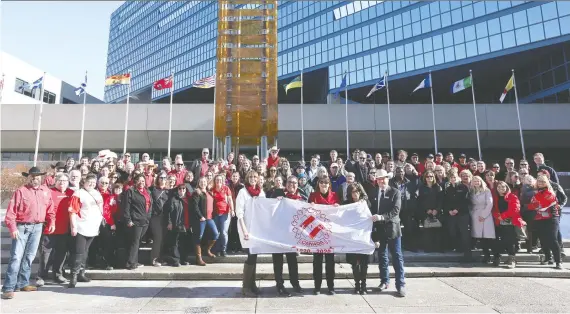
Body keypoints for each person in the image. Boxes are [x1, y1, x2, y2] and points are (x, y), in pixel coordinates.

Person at [2, 167, 55, 299]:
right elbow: (11, 213)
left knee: (29, 257)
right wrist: (13, 228)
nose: (35, 179)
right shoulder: (21, 191)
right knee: (16, 257)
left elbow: (50, 209)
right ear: (28, 177)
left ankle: (23, 283)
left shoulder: (46, 191)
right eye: (32, 176)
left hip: (37, 227)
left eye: (37, 177)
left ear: (41, 178)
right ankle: (8, 287)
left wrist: (52, 222)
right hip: (21, 227)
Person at [371, 169, 406, 297]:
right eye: (379, 179)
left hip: (393, 229)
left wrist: (382, 217)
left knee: (397, 256)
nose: (381, 181)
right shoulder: (374, 192)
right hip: (380, 230)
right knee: (382, 256)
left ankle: (400, 284)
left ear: (388, 179)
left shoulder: (395, 192)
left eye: (383, 178)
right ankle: (384, 281)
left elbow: (396, 210)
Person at [269, 175, 304, 296]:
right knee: (278, 261)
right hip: (278, 233)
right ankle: (279, 285)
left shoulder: (301, 197)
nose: (291, 185)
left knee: (292, 260)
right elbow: (268, 207)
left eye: (294, 183)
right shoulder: (278, 193)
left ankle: (295, 283)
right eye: (289, 182)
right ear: (286, 184)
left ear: (297, 185)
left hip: (292, 235)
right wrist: (275, 202)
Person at [67, 173, 104, 288]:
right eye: (90, 182)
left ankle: (81, 273)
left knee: (86, 251)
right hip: (81, 226)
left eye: (94, 183)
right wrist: (73, 226)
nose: (92, 184)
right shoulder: (78, 193)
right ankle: (73, 275)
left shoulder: (97, 193)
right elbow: (72, 210)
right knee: (78, 251)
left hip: (93, 227)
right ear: (84, 182)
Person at [37, 173, 73, 286]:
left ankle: (58, 274)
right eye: (60, 180)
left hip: (64, 230)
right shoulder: (49, 192)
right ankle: (41, 276)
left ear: (68, 182)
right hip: (50, 230)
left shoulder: (71, 193)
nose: (62, 183)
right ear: (55, 181)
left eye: (65, 181)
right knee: (45, 254)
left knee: (61, 254)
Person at [237, 170, 266, 297]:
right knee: (250, 257)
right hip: (246, 228)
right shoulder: (243, 192)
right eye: (251, 177)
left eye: (255, 177)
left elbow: (265, 209)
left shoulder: (261, 192)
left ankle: (252, 285)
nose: (253, 179)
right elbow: (239, 213)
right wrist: (245, 231)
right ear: (247, 178)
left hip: (257, 229)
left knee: (254, 257)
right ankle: (246, 287)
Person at [309, 176, 339, 295]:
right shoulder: (313, 196)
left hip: (330, 233)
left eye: (326, 183)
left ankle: (330, 287)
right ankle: (317, 287)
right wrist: (310, 206)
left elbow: (340, 213)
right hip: (317, 233)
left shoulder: (335, 195)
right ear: (318, 185)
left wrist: (338, 207)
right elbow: (308, 212)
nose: (324, 185)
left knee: (330, 262)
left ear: (329, 185)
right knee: (317, 261)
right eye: (321, 183)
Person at [345, 182, 377, 295]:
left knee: (364, 263)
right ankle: (357, 285)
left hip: (364, 236)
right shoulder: (346, 204)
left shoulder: (366, 203)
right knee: (354, 263)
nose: (355, 194)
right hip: (352, 238)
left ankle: (363, 285)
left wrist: (375, 238)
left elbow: (371, 220)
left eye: (357, 191)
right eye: (353, 192)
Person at [528, 175, 563, 269]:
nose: (540, 183)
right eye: (539, 181)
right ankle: (548, 258)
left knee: (552, 239)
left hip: (551, 219)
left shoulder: (550, 193)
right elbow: (531, 206)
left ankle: (558, 261)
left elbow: (544, 204)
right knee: (543, 240)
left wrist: (536, 205)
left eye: (543, 181)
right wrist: (535, 205)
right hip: (539, 219)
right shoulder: (536, 193)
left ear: (546, 182)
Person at [123, 173, 153, 270]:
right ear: (135, 182)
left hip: (145, 221)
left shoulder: (147, 192)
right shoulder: (130, 191)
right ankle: (130, 263)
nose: (141, 183)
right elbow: (126, 207)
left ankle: (134, 261)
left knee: (138, 241)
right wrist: (128, 220)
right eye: (139, 181)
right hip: (135, 221)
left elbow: (150, 206)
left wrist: (148, 218)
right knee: (135, 242)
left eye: (143, 181)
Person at [491, 181, 524, 268]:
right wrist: (497, 216)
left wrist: (503, 216)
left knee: (510, 241)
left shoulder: (512, 196)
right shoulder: (495, 197)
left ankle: (512, 258)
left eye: (503, 187)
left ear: (506, 188)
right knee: (496, 241)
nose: (501, 189)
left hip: (510, 221)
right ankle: (497, 257)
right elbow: (493, 209)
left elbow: (515, 209)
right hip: (498, 221)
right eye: (499, 187)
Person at [444, 172, 471, 261]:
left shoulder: (463, 187)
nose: (453, 179)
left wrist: (457, 209)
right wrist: (449, 210)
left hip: (462, 213)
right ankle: (458, 248)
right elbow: (446, 201)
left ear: (458, 178)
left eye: (455, 177)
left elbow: (465, 200)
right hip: (451, 214)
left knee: (464, 233)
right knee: (453, 232)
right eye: (451, 177)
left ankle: (467, 253)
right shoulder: (448, 189)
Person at [191, 177, 219, 263]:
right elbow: (195, 206)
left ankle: (207, 250)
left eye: (204, 182)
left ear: (207, 183)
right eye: (201, 182)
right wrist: (200, 216)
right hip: (201, 219)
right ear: (198, 183)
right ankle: (198, 258)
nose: (203, 183)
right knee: (199, 237)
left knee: (215, 234)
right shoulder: (197, 193)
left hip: (210, 218)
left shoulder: (209, 193)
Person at [164, 184, 194, 266]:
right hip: (177, 224)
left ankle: (184, 259)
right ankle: (175, 260)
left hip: (187, 224)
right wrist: (169, 222)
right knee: (175, 243)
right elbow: (168, 212)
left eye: (184, 189)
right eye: (180, 189)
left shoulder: (189, 200)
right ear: (177, 190)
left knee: (184, 243)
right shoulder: (173, 199)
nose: (182, 190)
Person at [469, 175, 495, 263]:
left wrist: (483, 215)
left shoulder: (486, 191)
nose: (476, 183)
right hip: (475, 214)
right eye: (474, 181)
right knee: (480, 237)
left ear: (481, 182)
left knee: (487, 237)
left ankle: (495, 255)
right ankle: (486, 256)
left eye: (478, 181)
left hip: (485, 214)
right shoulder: (471, 191)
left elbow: (490, 203)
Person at [149, 173, 171, 267]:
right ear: (158, 179)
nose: (162, 179)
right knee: (158, 238)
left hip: (165, 217)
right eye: (161, 177)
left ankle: (160, 258)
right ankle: (154, 259)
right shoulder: (153, 190)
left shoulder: (168, 191)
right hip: (155, 217)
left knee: (163, 239)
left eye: (164, 178)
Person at [211, 174, 234, 257]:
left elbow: (230, 200)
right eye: (217, 180)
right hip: (215, 213)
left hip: (225, 213)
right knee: (217, 232)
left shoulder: (226, 188)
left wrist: (232, 210)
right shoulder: (212, 190)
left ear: (223, 181)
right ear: (215, 181)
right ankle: (217, 250)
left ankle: (223, 249)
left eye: (220, 180)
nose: (218, 181)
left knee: (224, 232)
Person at [228, 172, 245, 253]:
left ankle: (239, 247)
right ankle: (232, 247)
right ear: (231, 177)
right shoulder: (228, 187)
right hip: (231, 210)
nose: (235, 178)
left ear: (239, 178)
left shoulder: (242, 187)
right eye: (233, 176)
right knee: (232, 229)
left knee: (240, 229)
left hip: (239, 210)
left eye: (236, 176)